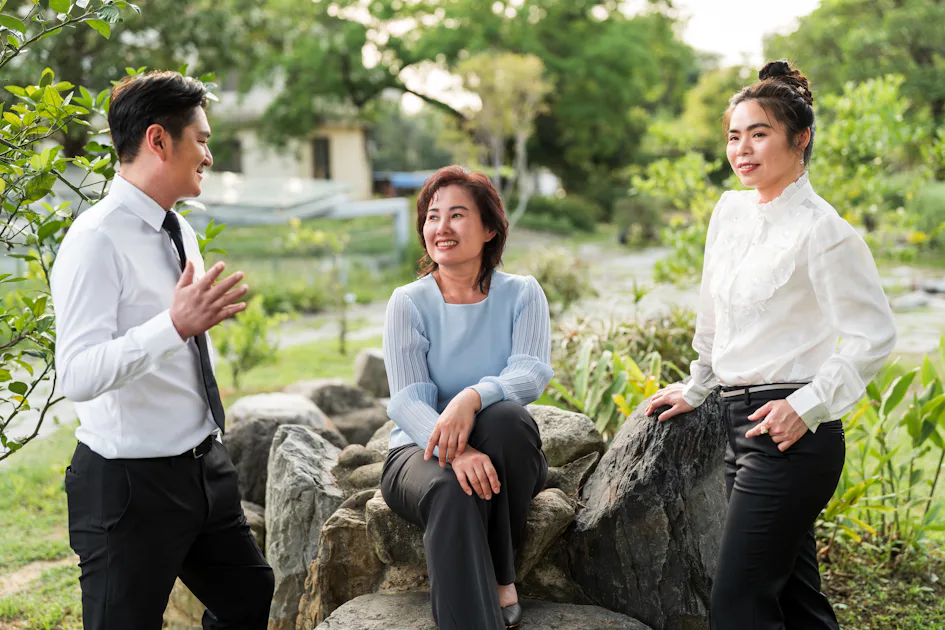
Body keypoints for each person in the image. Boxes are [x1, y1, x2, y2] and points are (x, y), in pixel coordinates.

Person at [645, 60, 897, 630]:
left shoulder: (823, 230)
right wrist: (697, 385)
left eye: (759, 134)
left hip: (793, 435)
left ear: (800, 139)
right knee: (794, 601)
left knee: (737, 604)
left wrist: (805, 406)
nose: (743, 149)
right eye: (735, 136)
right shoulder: (730, 211)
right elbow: (714, 312)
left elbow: (874, 336)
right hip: (738, 421)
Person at [51, 71, 274, 629]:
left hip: (203, 468)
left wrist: (185, 327)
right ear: (158, 140)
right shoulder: (95, 239)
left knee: (248, 597)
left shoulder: (178, 229)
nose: (209, 154)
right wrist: (173, 326)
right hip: (129, 488)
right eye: (201, 139)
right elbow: (76, 375)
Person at [380, 165, 553, 630]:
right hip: (417, 452)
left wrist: (472, 397)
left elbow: (532, 371)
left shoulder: (522, 293)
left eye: (458, 215)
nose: (442, 227)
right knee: (453, 490)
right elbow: (408, 401)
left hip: (501, 445)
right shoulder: (408, 302)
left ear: (490, 228)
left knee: (510, 420)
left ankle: (501, 573)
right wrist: (457, 453)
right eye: (433, 216)